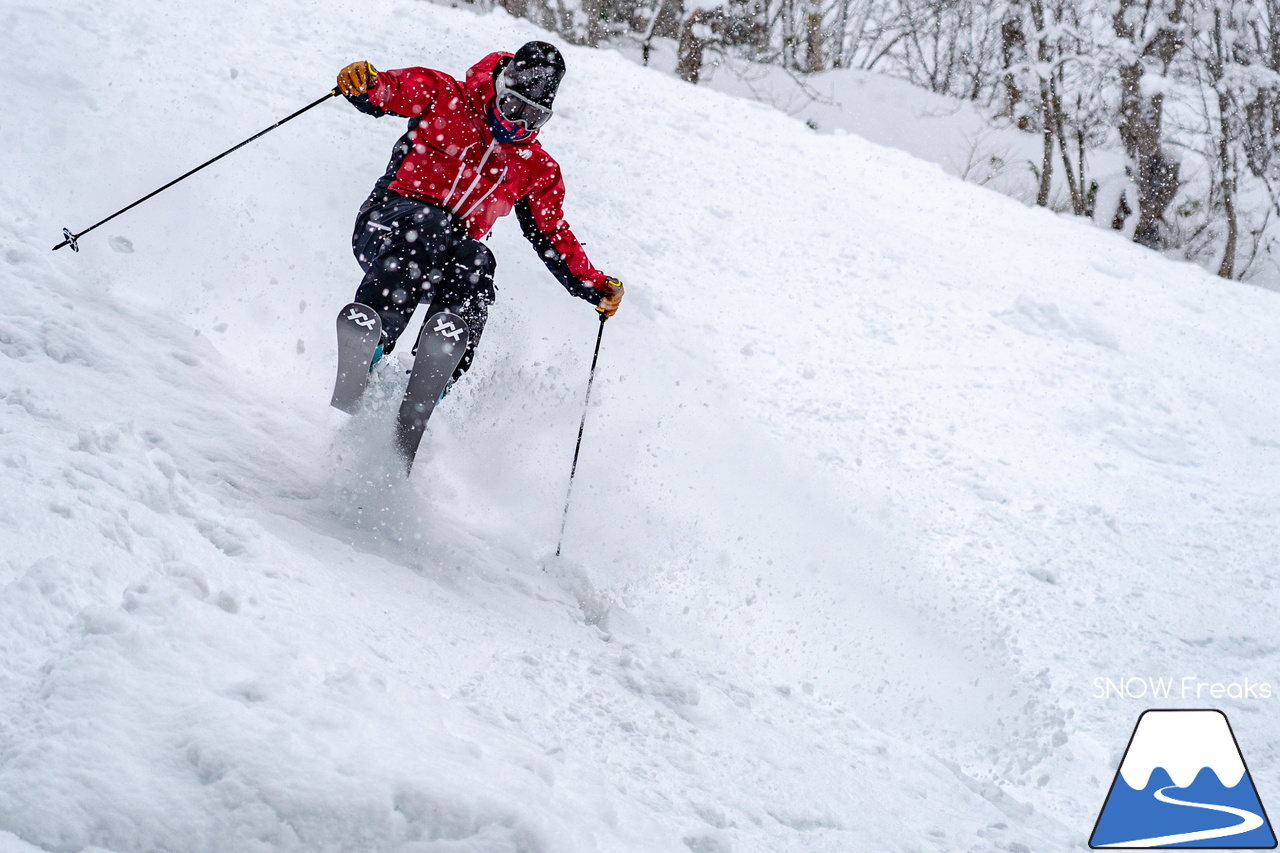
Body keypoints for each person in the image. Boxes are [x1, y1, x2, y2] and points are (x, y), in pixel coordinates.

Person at [335, 41, 624, 379]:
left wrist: (594, 284)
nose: (519, 122)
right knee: (431, 223)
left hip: (440, 258)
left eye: (534, 116)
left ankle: (434, 373)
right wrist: (364, 83)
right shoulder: (444, 95)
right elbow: (391, 89)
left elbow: (552, 232)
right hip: (387, 227)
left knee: (477, 259)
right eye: (513, 105)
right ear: (500, 85)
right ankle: (374, 337)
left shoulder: (534, 166)